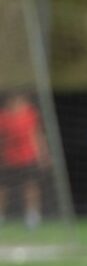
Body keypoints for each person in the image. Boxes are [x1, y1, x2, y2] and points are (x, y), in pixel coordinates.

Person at [0, 92, 47, 229]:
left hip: (28, 157)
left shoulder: (30, 114)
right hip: (8, 159)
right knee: (3, 188)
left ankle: (32, 216)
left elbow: (36, 134)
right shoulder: (3, 117)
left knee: (30, 186)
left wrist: (42, 154)